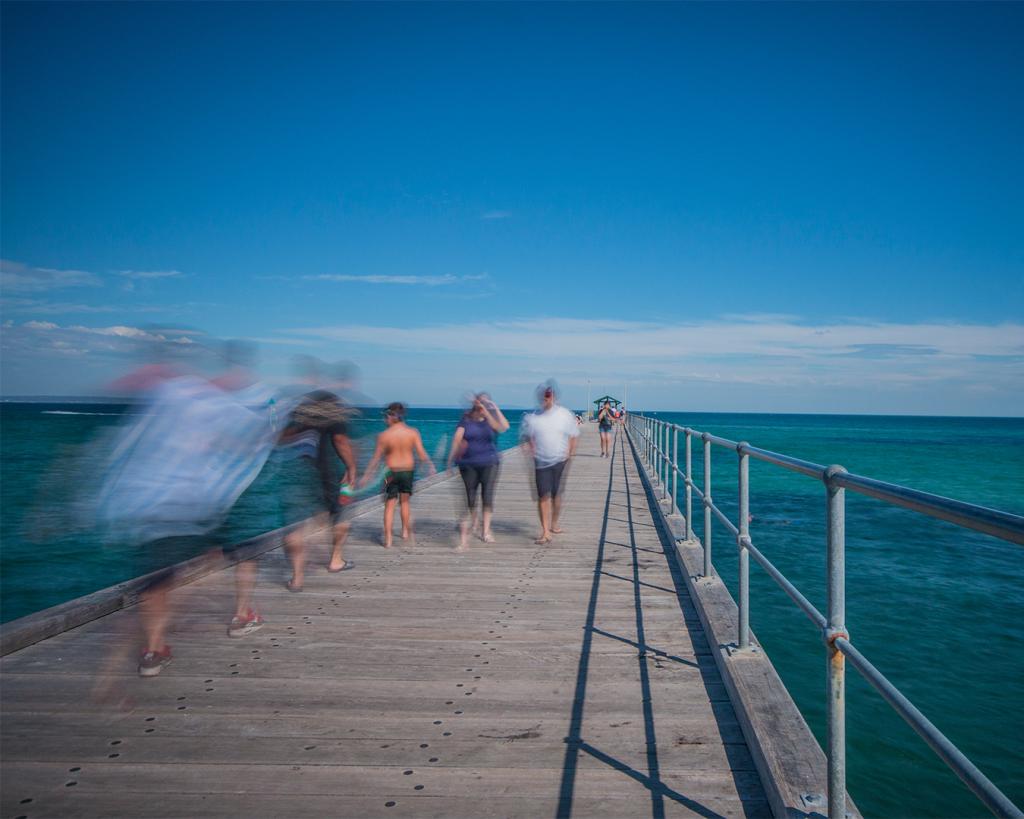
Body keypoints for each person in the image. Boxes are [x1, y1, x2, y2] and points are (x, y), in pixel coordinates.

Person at [279, 384, 358, 592]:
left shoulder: (299, 413)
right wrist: (351, 467)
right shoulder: (333, 412)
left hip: (296, 474)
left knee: (296, 526)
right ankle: (335, 560)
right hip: (323, 473)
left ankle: (297, 579)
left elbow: (280, 438)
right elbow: (340, 440)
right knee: (340, 517)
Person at [361, 403, 436, 548]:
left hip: (390, 472)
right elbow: (421, 453)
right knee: (405, 503)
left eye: (385, 416)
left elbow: (376, 458)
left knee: (389, 505)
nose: (384, 420)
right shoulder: (413, 432)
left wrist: (367, 475)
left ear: (392, 416)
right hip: (407, 471)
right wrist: (430, 464)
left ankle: (388, 539)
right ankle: (405, 532)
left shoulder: (384, 436)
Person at [447, 393, 510, 549]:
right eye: (480, 401)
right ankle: (474, 521)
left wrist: (492, 408)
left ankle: (486, 531)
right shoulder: (466, 419)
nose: (482, 404)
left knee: (487, 495)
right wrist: (449, 460)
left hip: (490, 462)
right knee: (470, 496)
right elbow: (457, 439)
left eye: (485, 401)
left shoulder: (490, 419)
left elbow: (503, 427)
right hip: (468, 463)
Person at [520, 382, 580, 544]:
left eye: (549, 395)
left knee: (556, 496)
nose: (546, 398)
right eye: (544, 396)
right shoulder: (532, 418)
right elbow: (526, 437)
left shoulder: (564, 415)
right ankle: (545, 531)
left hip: (559, 460)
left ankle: (554, 523)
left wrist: (570, 453)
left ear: (553, 397)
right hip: (540, 462)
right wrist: (529, 448)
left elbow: (574, 434)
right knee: (543, 496)